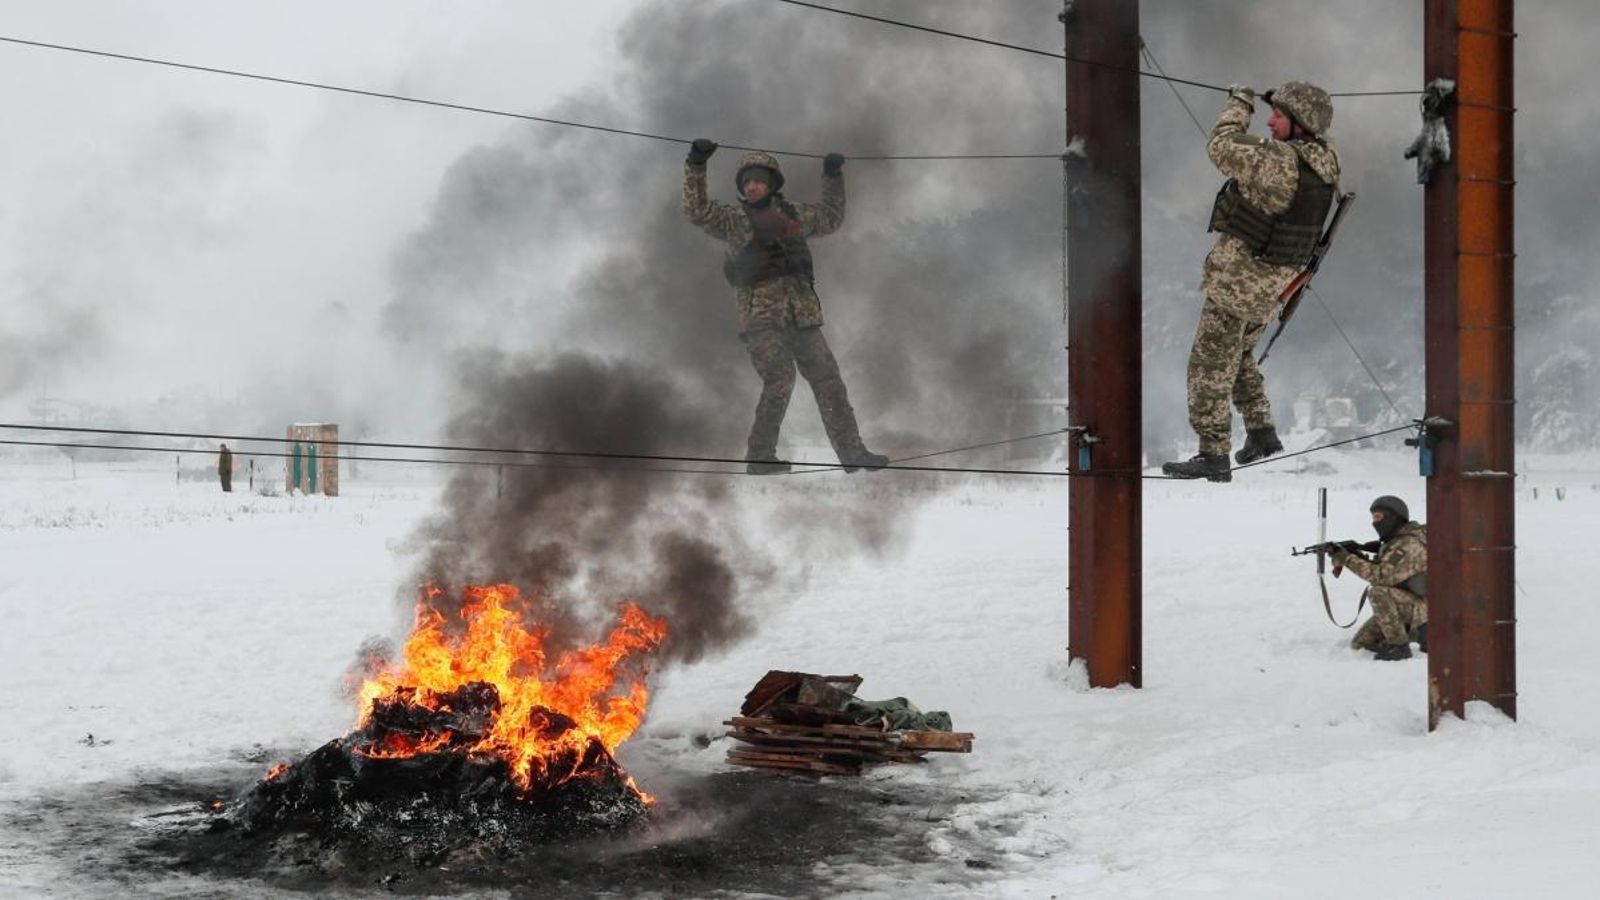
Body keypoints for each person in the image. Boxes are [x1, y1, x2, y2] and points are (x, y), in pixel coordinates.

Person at [1163, 82, 1342, 482]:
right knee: (1238, 356)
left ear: (1301, 123)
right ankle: (1261, 431)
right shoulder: (1325, 160)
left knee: (1208, 366)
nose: (1270, 122)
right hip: (1273, 285)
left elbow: (1221, 145)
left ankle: (1213, 454)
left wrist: (1240, 102)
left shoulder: (1278, 160)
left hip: (1240, 283)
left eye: (1278, 115)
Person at [682, 138, 889, 476]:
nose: (751, 187)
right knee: (780, 377)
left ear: (772, 184)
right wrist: (696, 163)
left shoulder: (795, 215)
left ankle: (852, 453)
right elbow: (696, 210)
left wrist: (832, 175)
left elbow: (830, 219)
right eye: (747, 182)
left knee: (829, 382)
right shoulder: (734, 221)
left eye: (758, 180)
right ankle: (759, 457)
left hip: (803, 319)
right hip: (761, 322)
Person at [1332, 495, 1427, 661]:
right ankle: (1406, 634)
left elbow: (1380, 576)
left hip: (1422, 609)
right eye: (1373, 518)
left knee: (1378, 592)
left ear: (1394, 517)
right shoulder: (1395, 542)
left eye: (1379, 517)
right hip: (1405, 603)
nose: (1375, 522)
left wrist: (1346, 558)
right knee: (1361, 644)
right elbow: (1385, 571)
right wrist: (1357, 555)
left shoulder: (1408, 544)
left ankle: (1399, 646)